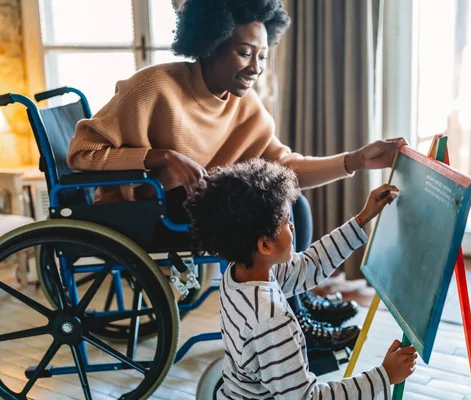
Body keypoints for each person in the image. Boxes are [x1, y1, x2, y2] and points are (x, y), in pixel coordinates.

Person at [66, 0, 407, 351]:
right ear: (210, 44)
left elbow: (285, 166)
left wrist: (355, 160)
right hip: (141, 211)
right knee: (270, 211)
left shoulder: (242, 103)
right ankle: (295, 315)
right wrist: (160, 157)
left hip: (191, 204)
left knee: (294, 202)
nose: (255, 67)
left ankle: (295, 304)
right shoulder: (152, 88)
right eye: (245, 53)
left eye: (262, 55)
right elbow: (81, 152)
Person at [184, 158, 417, 399]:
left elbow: (309, 265)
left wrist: (362, 218)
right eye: (287, 221)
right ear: (264, 244)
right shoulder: (272, 321)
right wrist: (384, 376)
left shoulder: (240, 275)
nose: (293, 227)